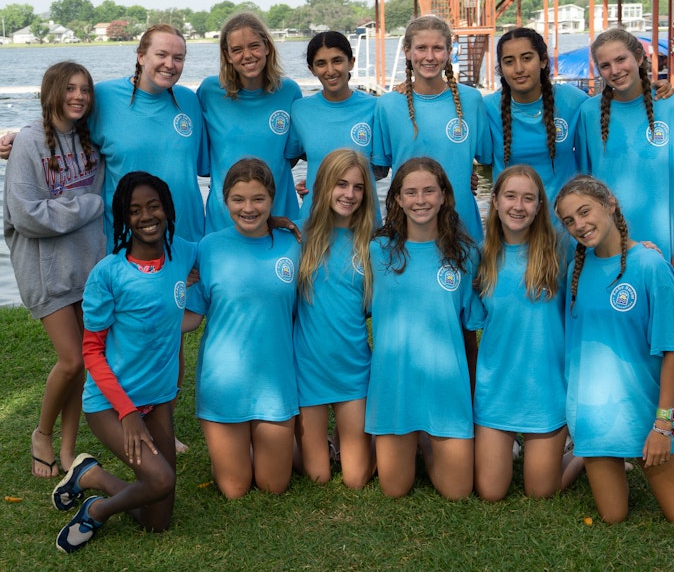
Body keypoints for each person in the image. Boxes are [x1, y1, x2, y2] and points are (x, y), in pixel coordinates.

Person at [52, 172, 196, 553]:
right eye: (134, 211)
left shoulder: (181, 253)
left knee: (158, 520)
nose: (146, 216)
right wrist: (128, 413)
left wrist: (276, 222)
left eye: (153, 206)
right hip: (111, 405)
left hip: (158, 399)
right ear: (123, 218)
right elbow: (92, 351)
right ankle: (97, 511)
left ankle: (91, 477)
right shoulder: (108, 274)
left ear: (166, 208)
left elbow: (230, 244)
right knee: (161, 481)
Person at [554, 174, 674, 524]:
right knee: (612, 516)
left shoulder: (651, 266)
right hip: (594, 418)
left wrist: (662, 425)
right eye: (569, 220)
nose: (579, 225)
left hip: (645, 416)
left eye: (584, 211)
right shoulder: (574, 270)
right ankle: (586, 454)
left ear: (610, 205)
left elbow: (673, 349)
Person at [0, 25, 208, 246]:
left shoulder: (190, 101)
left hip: (188, 239)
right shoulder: (104, 97)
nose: (170, 64)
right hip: (127, 243)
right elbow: (61, 125)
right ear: (141, 57)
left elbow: (203, 165)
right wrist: (22, 137)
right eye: (161, 54)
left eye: (178, 58)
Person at [2, 61, 105, 478]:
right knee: (71, 361)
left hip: (85, 264)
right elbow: (26, 216)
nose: (78, 96)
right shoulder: (27, 143)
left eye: (85, 90)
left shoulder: (88, 142)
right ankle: (41, 434)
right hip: (44, 270)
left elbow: (91, 192)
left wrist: (72, 208)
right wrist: (85, 205)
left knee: (83, 359)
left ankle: (68, 448)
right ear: (51, 92)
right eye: (70, 89)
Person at [365, 157, 484, 499]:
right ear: (398, 199)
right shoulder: (377, 251)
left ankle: (428, 439)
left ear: (445, 196)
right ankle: (413, 435)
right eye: (411, 192)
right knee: (394, 489)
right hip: (395, 386)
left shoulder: (464, 254)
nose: (421, 200)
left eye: (430, 191)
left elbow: (469, 334)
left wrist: (473, 393)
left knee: (458, 491)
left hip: (445, 387)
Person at [182, 158, 301, 498]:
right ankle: (240, 444)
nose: (248, 208)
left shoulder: (293, 244)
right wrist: (143, 323)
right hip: (224, 385)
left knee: (273, 486)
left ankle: (284, 442)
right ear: (224, 199)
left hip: (274, 384)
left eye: (258, 199)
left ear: (272, 199)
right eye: (238, 199)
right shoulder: (208, 247)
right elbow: (191, 316)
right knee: (235, 490)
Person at [474, 164, 583, 501]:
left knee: (541, 492)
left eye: (528, 198)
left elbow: (606, 243)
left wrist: (638, 246)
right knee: (490, 492)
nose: (518, 206)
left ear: (539, 206)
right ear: (494, 200)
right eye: (510, 196)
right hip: (497, 390)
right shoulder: (480, 256)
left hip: (546, 390)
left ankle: (587, 451)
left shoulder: (561, 250)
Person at [486, 27, 674, 205]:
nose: (518, 68)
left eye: (527, 58)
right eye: (509, 62)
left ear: (543, 61)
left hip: (565, 225)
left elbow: (616, 103)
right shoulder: (487, 109)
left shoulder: (571, 100)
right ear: (501, 68)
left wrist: (648, 89)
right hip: (514, 224)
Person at [576, 28, 674, 279]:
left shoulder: (672, 107)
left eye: (621, 59)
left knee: (658, 314)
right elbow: (584, 187)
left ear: (639, 57)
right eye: (605, 65)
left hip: (659, 243)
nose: (615, 70)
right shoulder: (588, 113)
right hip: (605, 243)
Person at [294, 148, 377, 489]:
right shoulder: (296, 236)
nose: (349, 194)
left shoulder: (372, 243)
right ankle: (288, 441)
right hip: (308, 369)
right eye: (341, 185)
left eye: (358, 187)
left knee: (356, 478)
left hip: (353, 370)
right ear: (322, 185)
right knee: (318, 475)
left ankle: (358, 440)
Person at [372, 15, 492, 242]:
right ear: (407, 51)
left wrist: (466, 174)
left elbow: (485, 160)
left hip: (462, 226)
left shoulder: (472, 100)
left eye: (437, 48)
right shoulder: (388, 105)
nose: (429, 56)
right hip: (408, 226)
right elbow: (378, 169)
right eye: (421, 48)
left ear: (449, 51)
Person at [198, 13, 302, 233]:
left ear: (267, 47)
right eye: (237, 50)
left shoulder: (289, 92)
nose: (247, 55)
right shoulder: (209, 92)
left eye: (254, 46)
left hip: (280, 216)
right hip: (224, 222)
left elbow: (295, 154)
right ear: (227, 55)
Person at [286, 31, 379, 221]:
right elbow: (293, 158)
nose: (330, 70)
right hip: (315, 220)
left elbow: (381, 167)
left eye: (337, 61)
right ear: (311, 69)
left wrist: (339, 183)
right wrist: (315, 179)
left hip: (362, 221)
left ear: (351, 62)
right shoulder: (300, 110)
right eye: (321, 63)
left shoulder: (376, 108)